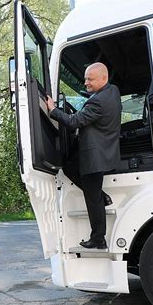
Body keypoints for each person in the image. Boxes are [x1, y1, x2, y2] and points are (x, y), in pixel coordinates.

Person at [46, 62, 121, 249]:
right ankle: (102, 197)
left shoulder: (97, 101)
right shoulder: (113, 91)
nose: (85, 82)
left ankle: (98, 239)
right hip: (104, 151)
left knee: (92, 198)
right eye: (86, 78)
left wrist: (53, 110)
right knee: (70, 166)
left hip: (95, 158)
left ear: (104, 78)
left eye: (90, 79)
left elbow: (74, 121)